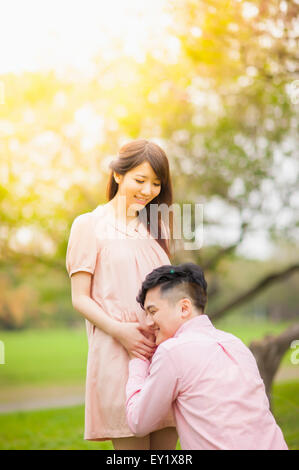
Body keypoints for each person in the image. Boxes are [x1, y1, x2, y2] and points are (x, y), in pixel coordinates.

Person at [66, 139, 178, 450]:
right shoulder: (89, 225)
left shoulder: (156, 229)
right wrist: (122, 332)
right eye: (140, 180)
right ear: (118, 175)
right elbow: (80, 298)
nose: (148, 190)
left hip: (162, 353)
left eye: (157, 183)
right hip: (119, 352)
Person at [125, 263, 288, 450]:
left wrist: (137, 359)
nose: (148, 323)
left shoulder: (173, 351)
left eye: (152, 312)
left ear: (184, 308)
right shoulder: (235, 343)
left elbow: (138, 422)